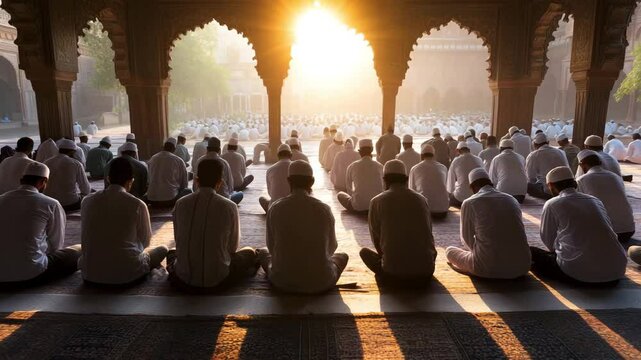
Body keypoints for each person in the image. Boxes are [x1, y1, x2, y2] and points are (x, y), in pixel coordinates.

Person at [258, 160, 349, 294]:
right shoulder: (323, 209)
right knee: (342, 256)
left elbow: (272, 247)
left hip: (282, 281)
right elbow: (331, 248)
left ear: (289, 181)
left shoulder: (276, 208)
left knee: (263, 252)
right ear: (311, 182)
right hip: (321, 281)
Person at [168, 159, 258, 292]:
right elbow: (232, 248)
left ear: (197, 181)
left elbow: (178, 239)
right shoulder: (229, 206)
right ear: (220, 183)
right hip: (219, 279)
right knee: (250, 252)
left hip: (183, 280)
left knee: (171, 253)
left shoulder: (180, 203)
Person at [530, 166, 627, 284]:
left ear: (551, 185)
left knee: (531, 253)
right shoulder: (595, 200)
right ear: (574, 183)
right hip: (617, 269)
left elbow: (548, 239)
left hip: (580, 273)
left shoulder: (553, 203)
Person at [79, 158, 168, 285]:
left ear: (108, 178)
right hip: (127, 274)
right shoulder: (137, 204)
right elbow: (145, 241)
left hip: (90, 274)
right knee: (163, 249)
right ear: (131, 181)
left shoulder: (87, 201)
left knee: (78, 249)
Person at [0, 163, 81, 284]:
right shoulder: (50, 203)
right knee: (78, 250)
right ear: (43, 181)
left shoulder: (1, 199)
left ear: (22, 180)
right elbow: (56, 244)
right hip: (32, 273)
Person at [361, 160, 437, 285]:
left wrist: (390, 258)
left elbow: (376, 239)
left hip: (393, 273)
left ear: (384, 180)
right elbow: (429, 233)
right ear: (406, 179)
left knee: (364, 252)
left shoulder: (377, 201)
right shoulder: (421, 199)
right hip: (426, 271)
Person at [446, 168, 531, 279]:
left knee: (450, 251)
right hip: (522, 267)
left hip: (488, 269)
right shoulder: (511, 199)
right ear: (491, 183)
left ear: (472, 187)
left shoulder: (470, 202)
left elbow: (466, 239)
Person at [576, 150, 635, 242]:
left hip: (605, 233)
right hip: (628, 231)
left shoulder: (582, 180)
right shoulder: (616, 177)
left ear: (582, 164)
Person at [44, 139, 91, 212]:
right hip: (70, 204)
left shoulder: (47, 162)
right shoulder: (76, 163)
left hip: (49, 203)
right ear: (72, 151)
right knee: (91, 195)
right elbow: (86, 189)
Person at [337, 139, 384, 212]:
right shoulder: (380, 166)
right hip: (377, 207)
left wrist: (356, 199)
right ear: (372, 150)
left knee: (340, 194)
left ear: (359, 152)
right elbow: (384, 187)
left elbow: (349, 188)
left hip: (358, 206)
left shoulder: (352, 166)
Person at [193, 137, 242, 204]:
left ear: (207, 149)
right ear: (219, 150)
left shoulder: (199, 161)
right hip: (222, 200)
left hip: (201, 200)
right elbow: (230, 186)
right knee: (240, 194)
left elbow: (194, 186)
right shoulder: (224, 163)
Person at [146, 138, 191, 207]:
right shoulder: (178, 160)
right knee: (188, 191)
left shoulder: (153, 158)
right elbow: (184, 184)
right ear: (174, 148)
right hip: (170, 200)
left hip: (152, 200)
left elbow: (148, 179)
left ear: (163, 147)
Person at [409, 144, 449, 219]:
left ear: (421, 156)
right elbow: (446, 188)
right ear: (434, 155)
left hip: (424, 211)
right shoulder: (443, 168)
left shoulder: (415, 168)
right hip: (442, 211)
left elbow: (412, 191)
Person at [525, 133, 569, 200]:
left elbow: (531, 177)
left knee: (527, 186)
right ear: (548, 142)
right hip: (565, 188)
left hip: (548, 190)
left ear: (534, 144)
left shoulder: (534, 155)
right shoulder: (561, 152)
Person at [447, 141, 483, 207]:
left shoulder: (456, 161)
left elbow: (450, 185)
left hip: (460, 199)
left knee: (450, 198)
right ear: (469, 150)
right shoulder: (479, 159)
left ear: (458, 151)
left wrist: (451, 192)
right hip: (476, 197)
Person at [259, 144, 292, 213]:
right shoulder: (295, 167)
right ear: (290, 155)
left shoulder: (270, 169)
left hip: (275, 210)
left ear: (278, 155)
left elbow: (270, 193)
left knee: (262, 199)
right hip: (293, 208)